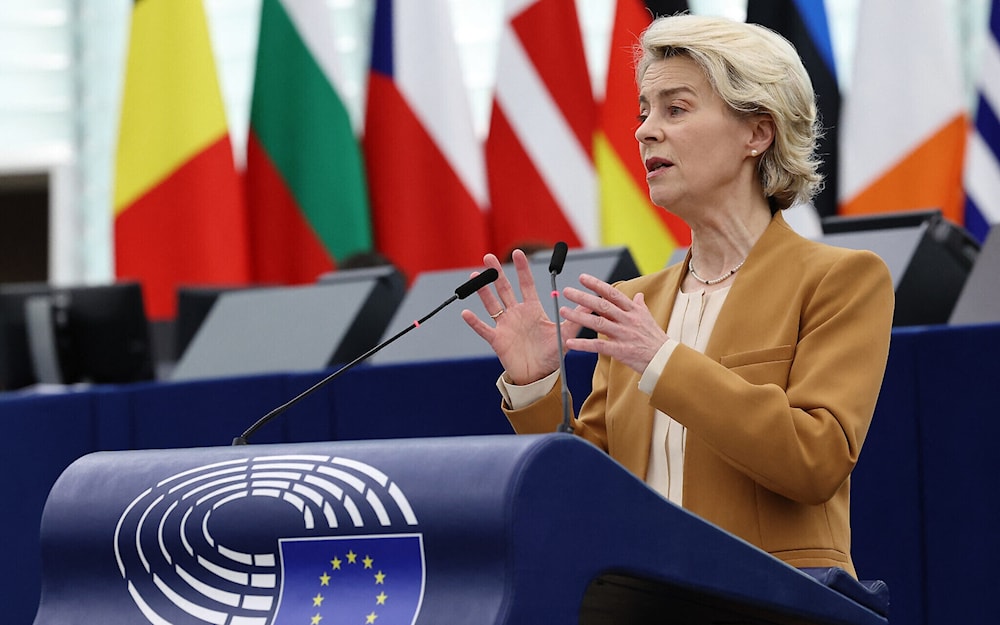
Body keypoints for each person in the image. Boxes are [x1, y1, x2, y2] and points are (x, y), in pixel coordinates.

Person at [461, 13, 894, 578]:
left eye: (676, 109)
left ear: (757, 133)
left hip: (776, 605)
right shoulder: (632, 303)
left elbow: (814, 459)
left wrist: (661, 360)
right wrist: (538, 385)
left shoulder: (840, 280)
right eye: (644, 111)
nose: (643, 130)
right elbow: (588, 492)